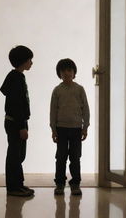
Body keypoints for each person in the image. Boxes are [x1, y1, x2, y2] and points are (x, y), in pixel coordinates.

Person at [50, 58, 90, 195]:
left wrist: (85, 127)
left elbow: (86, 109)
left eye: (69, 70)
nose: (67, 73)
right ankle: (60, 183)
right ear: (59, 74)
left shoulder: (79, 89)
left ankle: (75, 183)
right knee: (61, 157)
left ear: (74, 72)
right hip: (61, 128)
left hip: (76, 129)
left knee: (75, 157)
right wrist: (53, 129)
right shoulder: (57, 91)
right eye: (63, 71)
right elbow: (53, 111)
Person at [0, 45, 34, 197]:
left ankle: (18, 184)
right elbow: (16, 104)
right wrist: (22, 127)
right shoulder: (15, 79)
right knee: (15, 155)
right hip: (15, 122)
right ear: (22, 61)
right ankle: (13, 187)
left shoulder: (17, 76)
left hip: (16, 121)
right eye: (29, 60)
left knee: (19, 155)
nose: (31, 63)